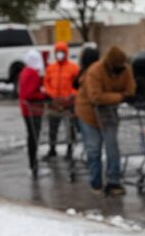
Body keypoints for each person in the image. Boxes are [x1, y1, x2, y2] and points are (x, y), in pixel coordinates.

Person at [74, 46, 136, 197]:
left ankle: (114, 181)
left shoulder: (125, 70)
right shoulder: (95, 71)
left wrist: (114, 97)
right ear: (110, 65)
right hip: (88, 113)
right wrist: (120, 97)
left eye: (122, 67)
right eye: (117, 68)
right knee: (94, 148)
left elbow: (130, 90)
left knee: (112, 146)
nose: (121, 71)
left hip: (109, 113)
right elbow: (96, 97)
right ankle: (96, 182)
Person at [43, 42, 79, 159]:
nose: (60, 54)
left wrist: (72, 95)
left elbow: (78, 84)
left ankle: (70, 149)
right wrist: (51, 94)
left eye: (62, 52)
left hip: (69, 103)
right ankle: (52, 148)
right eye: (58, 52)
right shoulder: (51, 68)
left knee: (70, 127)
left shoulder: (73, 67)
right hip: (54, 103)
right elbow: (46, 82)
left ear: (66, 53)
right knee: (53, 127)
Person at [18, 49, 48, 176]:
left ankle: (33, 162)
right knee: (33, 137)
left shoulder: (25, 71)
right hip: (33, 110)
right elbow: (29, 94)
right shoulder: (32, 74)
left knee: (32, 136)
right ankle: (33, 163)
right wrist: (43, 96)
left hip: (28, 110)